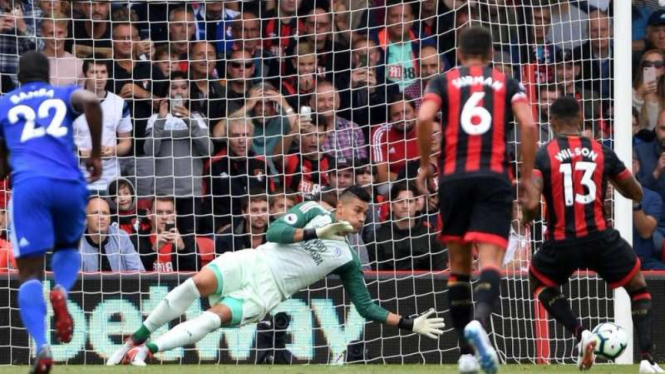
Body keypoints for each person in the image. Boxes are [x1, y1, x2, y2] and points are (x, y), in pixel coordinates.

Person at [106, 186, 445, 366]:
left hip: (267, 293)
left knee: (212, 319)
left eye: (365, 214)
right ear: (340, 208)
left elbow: (366, 306)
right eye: (357, 211)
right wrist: (317, 234)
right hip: (252, 261)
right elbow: (274, 233)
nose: (360, 219)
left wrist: (409, 323)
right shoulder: (312, 210)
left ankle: (146, 351)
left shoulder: (349, 258)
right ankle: (133, 339)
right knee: (193, 284)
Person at [416, 26, 537, 374]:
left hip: (453, 178)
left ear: (458, 51)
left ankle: (466, 355)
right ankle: (480, 324)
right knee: (490, 258)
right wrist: (526, 179)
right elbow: (528, 126)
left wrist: (425, 165)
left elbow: (425, 117)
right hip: (494, 178)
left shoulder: (443, 80)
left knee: (457, 266)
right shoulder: (507, 82)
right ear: (491, 52)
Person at [524, 96, 663, 374]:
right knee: (637, 286)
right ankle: (647, 359)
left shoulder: (543, 154)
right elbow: (634, 191)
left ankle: (581, 333)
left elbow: (530, 204)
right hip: (600, 237)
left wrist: (528, 218)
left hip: (561, 240)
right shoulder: (602, 151)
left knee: (539, 282)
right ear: (582, 121)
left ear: (551, 122)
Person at [0, 51, 102, 374]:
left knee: (29, 273)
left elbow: (2, 159)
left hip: (29, 184)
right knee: (68, 246)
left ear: (19, 78)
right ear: (48, 76)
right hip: (69, 183)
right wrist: (96, 154)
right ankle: (61, 290)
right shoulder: (60, 94)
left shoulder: (5, 103)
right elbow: (92, 101)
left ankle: (42, 346)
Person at [74, 56, 132, 193]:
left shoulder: (119, 103)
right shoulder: (71, 102)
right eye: (94, 72)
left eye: (103, 72)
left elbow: (126, 143)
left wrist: (112, 150)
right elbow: (61, 143)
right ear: (84, 75)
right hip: (78, 179)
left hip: (110, 180)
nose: (99, 77)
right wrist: (82, 153)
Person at [79, 197, 143, 272]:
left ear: (110, 218)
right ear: (85, 218)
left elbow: (138, 271)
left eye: (105, 213)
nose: (101, 217)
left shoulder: (122, 237)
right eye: (96, 213)